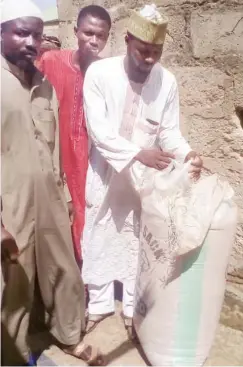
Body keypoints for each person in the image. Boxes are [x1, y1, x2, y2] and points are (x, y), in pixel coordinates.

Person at [82, 4, 203, 339]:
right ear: (127, 41)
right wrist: (138, 153)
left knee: (140, 241)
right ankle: (99, 306)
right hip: (107, 169)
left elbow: (169, 133)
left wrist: (187, 152)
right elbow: (98, 131)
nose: (150, 59)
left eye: (156, 52)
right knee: (100, 232)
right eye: (143, 51)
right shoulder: (100, 74)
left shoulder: (167, 82)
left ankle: (134, 311)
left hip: (143, 178)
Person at [0, 0, 104, 365]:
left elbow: (55, 144)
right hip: (9, 206)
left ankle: (69, 335)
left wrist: (65, 197)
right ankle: (11, 354)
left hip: (50, 198)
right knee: (14, 284)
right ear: (2, 33)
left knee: (64, 269)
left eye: (37, 34)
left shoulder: (44, 85)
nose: (31, 41)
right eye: (21, 32)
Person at [38, 5, 111, 265]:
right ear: (75, 31)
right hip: (55, 151)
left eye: (100, 35)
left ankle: (86, 281)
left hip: (89, 157)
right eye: (88, 32)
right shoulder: (51, 62)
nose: (93, 40)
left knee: (87, 214)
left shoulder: (107, 74)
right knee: (55, 213)